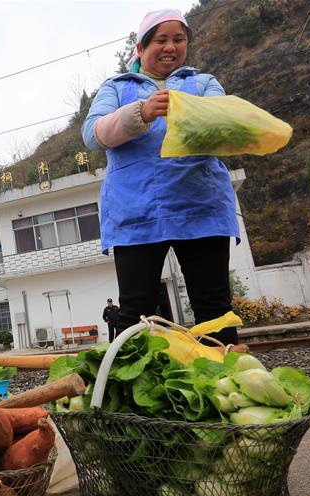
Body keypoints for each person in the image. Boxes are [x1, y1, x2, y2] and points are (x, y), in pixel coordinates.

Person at [82, 9, 239, 346]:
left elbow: (225, 123)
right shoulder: (116, 87)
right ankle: (130, 393)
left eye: (178, 39)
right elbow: (93, 135)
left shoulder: (203, 83)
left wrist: (191, 111)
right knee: (135, 312)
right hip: (136, 211)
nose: (171, 47)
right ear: (140, 48)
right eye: (161, 40)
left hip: (200, 206)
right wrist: (140, 112)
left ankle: (224, 387)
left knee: (214, 308)